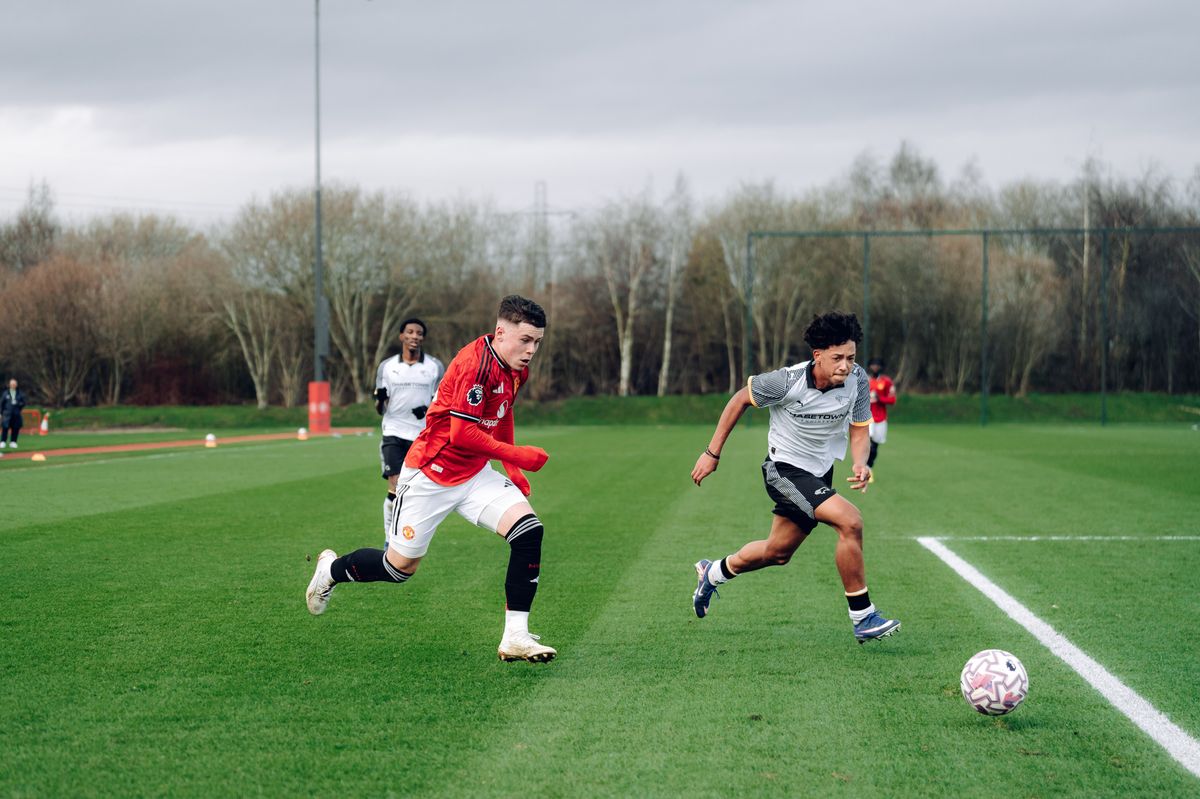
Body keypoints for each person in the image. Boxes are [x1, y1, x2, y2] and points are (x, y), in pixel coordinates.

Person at [306, 295, 557, 663]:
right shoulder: (475, 364)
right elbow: (461, 434)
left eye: (537, 342)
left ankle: (515, 637)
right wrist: (519, 456)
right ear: (501, 332)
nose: (532, 349)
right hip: (430, 475)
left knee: (529, 532)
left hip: (474, 475)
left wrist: (513, 470)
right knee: (398, 568)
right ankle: (330, 570)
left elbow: (502, 414)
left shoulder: (516, 367)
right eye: (525, 340)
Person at [689, 311, 901, 644]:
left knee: (778, 552)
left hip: (819, 474)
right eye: (837, 358)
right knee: (850, 521)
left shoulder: (858, 380)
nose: (845, 365)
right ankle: (863, 617)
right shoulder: (787, 382)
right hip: (783, 470)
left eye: (851, 357)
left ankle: (712, 572)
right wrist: (712, 453)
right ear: (817, 356)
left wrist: (860, 463)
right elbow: (739, 400)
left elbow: (860, 429)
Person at [373, 318, 444, 543]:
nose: (415, 336)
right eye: (410, 332)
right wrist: (379, 399)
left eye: (419, 333)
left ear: (423, 338)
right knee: (394, 487)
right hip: (393, 432)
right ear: (401, 336)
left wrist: (427, 408)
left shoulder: (434, 367)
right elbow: (379, 408)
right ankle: (389, 540)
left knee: (413, 491)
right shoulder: (387, 367)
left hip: (422, 436)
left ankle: (409, 536)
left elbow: (441, 401)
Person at [866, 357, 896, 478]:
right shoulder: (864, 381)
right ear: (869, 367)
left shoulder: (887, 382)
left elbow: (892, 400)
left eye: (877, 365)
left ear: (882, 367)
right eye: (873, 365)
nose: (875, 367)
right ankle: (864, 468)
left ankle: (869, 468)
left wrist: (880, 399)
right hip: (867, 418)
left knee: (875, 445)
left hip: (881, 418)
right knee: (868, 444)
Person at [0, 378, 27, 449]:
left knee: (15, 428)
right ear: (9, 385)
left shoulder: (19, 393)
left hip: (16, 414)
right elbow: (1, 404)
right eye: (11, 384)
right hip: (7, 414)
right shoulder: (5, 393)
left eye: (14, 384)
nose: (13, 385)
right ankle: (3, 441)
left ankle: (13, 442)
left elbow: (23, 403)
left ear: (16, 385)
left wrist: (18, 404)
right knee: (5, 428)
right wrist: (1, 413)